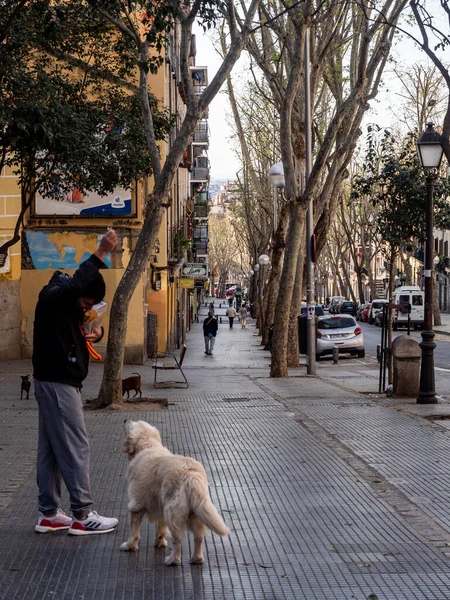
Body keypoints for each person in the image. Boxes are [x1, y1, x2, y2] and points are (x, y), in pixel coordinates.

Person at [33, 229, 119, 536]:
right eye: (87, 302)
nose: (87, 309)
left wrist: (94, 334)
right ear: (77, 290)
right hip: (58, 383)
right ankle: (82, 514)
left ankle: (48, 514)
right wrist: (101, 252)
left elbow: (73, 331)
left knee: (52, 449)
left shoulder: (63, 306)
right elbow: (77, 288)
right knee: (74, 445)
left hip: (52, 380)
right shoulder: (58, 296)